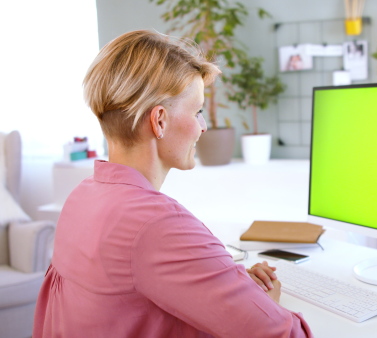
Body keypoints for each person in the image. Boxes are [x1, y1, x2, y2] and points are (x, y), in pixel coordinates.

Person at [33, 30, 313, 337]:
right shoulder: (157, 224)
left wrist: (227, 286)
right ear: (160, 121)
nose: (203, 127)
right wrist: (263, 304)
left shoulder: (83, 197)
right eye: (197, 112)